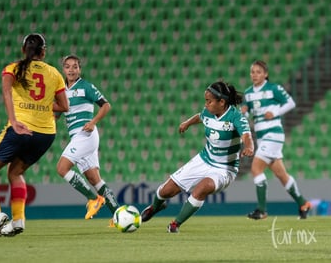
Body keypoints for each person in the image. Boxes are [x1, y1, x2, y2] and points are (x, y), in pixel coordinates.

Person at [0, 33, 69, 238]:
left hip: (20, 129)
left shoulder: (13, 68)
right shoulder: (54, 74)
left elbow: (7, 92)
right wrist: (43, 105)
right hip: (45, 134)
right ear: (43, 52)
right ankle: (18, 221)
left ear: (23, 50)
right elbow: (64, 106)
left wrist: (14, 121)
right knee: (15, 173)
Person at [141, 80, 254, 233]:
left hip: (224, 168)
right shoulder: (209, 111)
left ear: (222, 102)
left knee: (202, 188)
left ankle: (175, 224)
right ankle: (155, 206)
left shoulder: (236, 117)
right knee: (165, 191)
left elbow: (247, 136)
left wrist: (249, 146)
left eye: (209, 101)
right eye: (205, 101)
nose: (206, 104)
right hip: (204, 159)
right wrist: (187, 123)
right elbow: (200, 117)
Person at [242, 60, 311, 220]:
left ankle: (262, 210)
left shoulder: (274, 89)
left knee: (256, 169)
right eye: (252, 72)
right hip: (262, 137)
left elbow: (291, 103)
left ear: (265, 74)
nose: (255, 74)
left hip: (273, 134)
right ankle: (303, 203)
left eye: (258, 72)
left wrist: (275, 112)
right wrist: (244, 112)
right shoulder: (248, 93)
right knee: (282, 175)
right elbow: (246, 116)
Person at [55, 55, 119, 224]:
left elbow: (106, 105)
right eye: (67, 67)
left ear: (79, 69)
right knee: (94, 179)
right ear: (63, 69)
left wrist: (93, 122)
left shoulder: (86, 87)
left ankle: (93, 199)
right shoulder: (60, 91)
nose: (71, 70)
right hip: (77, 137)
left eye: (74, 66)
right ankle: (119, 216)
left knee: (62, 168)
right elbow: (56, 114)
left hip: (85, 135)